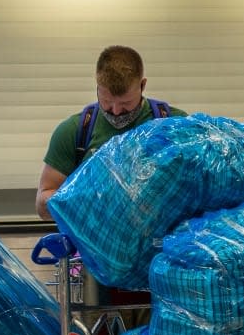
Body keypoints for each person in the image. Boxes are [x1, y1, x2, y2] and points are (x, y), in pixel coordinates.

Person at [36, 45, 186, 221]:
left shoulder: (175, 125)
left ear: (143, 85)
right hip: (91, 243)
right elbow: (42, 205)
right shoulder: (74, 132)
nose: (115, 111)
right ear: (97, 85)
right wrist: (81, 200)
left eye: (125, 103)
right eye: (107, 101)